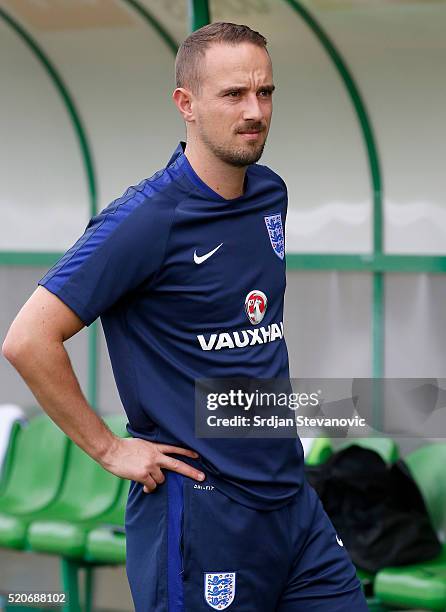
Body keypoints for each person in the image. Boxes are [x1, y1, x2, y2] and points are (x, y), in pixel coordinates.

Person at [2, 22, 368, 612]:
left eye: (265, 92)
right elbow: (27, 339)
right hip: (204, 512)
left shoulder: (269, 193)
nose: (255, 111)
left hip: (293, 506)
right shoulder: (144, 220)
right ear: (186, 104)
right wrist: (109, 449)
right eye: (233, 95)